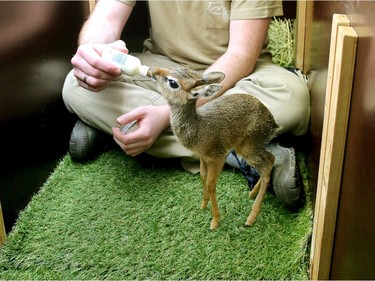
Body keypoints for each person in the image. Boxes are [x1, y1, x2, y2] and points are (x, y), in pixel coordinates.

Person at [62, 0, 310, 210]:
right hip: (164, 70)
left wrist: (167, 114)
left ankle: (117, 129)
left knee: (293, 98)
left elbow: (241, 56)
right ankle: (241, 152)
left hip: (234, 78)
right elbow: (104, 20)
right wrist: (92, 55)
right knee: (75, 84)